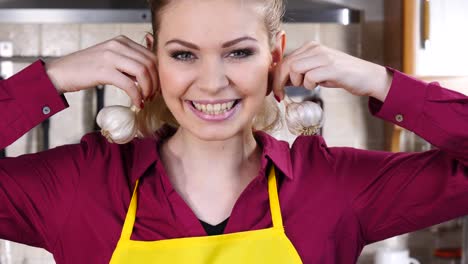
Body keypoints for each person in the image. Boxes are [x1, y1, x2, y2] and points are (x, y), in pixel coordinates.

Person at [0, 0, 467, 263]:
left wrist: (380, 82)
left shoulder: (334, 186)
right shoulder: (80, 186)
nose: (212, 82)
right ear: (152, 55)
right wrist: (51, 79)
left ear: (276, 55)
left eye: (239, 53)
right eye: (183, 54)